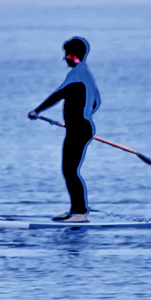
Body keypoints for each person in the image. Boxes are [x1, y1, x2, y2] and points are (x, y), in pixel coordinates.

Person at [29, 36, 100, 223]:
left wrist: (36, 111)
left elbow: (59, 95)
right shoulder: (85, 74)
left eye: (66, 55)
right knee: (70, 170)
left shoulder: (77, 75)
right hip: (80, 128)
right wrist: (82, 116)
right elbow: (96, 102)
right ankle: (75, 210)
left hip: (78, 130)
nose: (65, 58)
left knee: (70, 171)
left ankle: (80, 213)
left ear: (74, 56)